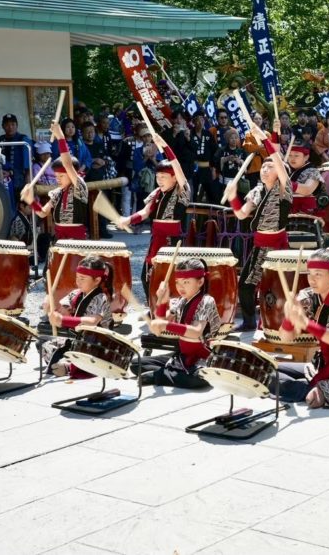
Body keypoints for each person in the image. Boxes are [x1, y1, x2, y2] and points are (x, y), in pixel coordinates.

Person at [271, 249, 329, 408]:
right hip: (320, 364)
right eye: (309, 274)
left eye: (318, 274)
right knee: (269, 371)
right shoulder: (307, 296)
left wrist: (307, 324)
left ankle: (316, 391)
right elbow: (286, 337)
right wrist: (289, 318)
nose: (312, 280)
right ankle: (317, 390)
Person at [225, 121, 291, 332]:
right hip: (259, 244)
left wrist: (264, 137)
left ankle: (273, 322)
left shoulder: (284, 189)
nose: (264, 170)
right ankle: (249, 321)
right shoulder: (256, 190)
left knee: (273, 287)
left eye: (269, 167)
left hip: (277, 246)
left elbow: (280, 163)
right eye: (263, 166)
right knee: (245, 285)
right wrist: (233, 197)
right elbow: (242, 213)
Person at [118, 132, 190, 296]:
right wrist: (128, 220)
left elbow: (177, 167)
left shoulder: (182, 190)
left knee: (169, 276)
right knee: (146, 276)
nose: (159, 180)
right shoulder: (157, 192)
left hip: (172, 240)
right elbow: (145, 212)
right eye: (158, 176)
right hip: (156, 238)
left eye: (164, 177)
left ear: (174, 178)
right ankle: (152, 308)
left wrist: (164, 146)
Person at [137, 258, 223, 388]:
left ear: (200, 282)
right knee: (135, 364)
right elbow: (160, 321)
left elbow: (196, 332)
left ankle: (161, 375)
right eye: (177, 282)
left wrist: (165, 325)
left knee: (196, 380)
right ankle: (169, 373)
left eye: (186, 282)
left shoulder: (206, 301)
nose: (180, 287)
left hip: (203, 358)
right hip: (182, 355)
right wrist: (163, 300)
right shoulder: (181, 301)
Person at [41, 255, 113, 378]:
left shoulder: (102, 297)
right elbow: (63, 311)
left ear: (97, 280)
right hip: (77, 339)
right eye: (77, 277)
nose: (78, 282)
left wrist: (62, 320)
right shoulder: (75, 294)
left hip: (96, 343)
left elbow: (92, 321)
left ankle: (69, 367)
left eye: (82, 278)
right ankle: (66, 362)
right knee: (42, 343)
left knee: (90, 357)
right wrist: (50, 306)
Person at [22, 121, 89, 241]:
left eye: (61, 176)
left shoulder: (79, 186)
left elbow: (68, 164)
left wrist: (61, 137)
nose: (57, 179)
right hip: (59, 237)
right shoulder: (57, 193)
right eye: (56, 176)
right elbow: (42, 213)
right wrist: (31, 200)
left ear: (72, 174)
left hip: (76, 237)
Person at [0, 113, 33, 206]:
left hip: (19, 182)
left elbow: (27, 168)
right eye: (7, 125)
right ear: (3, 126)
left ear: (17, 126)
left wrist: (29, 187)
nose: (10, 127)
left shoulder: (23, 140)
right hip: (0, 181)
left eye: (13, 124)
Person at [287, 138, 325, 215]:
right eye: (290, 155)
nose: (292, 158)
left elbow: (307, 189)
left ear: (306, 157)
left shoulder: (313, 171)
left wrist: (285, 183)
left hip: (306, 215)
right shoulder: (287, 170)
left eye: (296, 155)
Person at [189, 112, 217, 204]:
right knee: (193, 194)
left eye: (202, 119)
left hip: (207, 168)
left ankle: (212, 215)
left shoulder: (207, 134)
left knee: (211, 193)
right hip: (193, 169)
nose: (201, 122)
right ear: (193, 122)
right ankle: (193, 217)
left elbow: (214, 151)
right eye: (198, 119)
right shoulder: (189, 134)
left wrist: (213, 168)